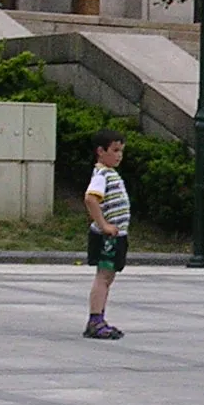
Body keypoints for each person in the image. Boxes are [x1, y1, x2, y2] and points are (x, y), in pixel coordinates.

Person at [83, 129, 130, 340]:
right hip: (107, 237)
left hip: (116, 236)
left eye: (121, 151)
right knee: (103, 277)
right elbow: (91, 199)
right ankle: (95, 320)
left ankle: (99, 317)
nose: (119, 155)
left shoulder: (109, 173)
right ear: (101, 151)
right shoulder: (102, 174)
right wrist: (103, 225)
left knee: (107, 277)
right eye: (115, 150)